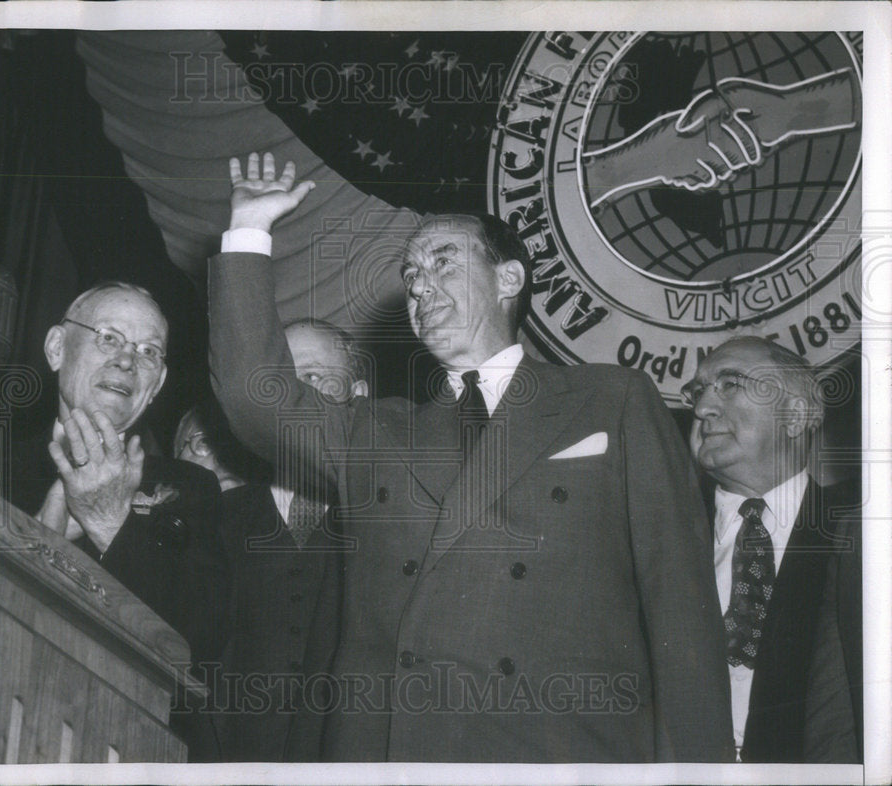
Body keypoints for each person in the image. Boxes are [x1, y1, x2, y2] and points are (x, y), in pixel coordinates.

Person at [207, 152, 733, 762]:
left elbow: (681, 610)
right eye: (410, 277)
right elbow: (253, 398)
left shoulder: (610, 399)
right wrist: (249, 229)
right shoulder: (376, 430)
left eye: (442, 263)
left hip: (561, 754)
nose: (420, 286)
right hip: (394, 756)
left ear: (509, 280)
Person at [8, 282, 231, 689]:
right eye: (108, 338)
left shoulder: (192, 488)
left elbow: (201, 647)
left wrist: (109, 520)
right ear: (57, 349)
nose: (127, 360)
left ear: (157, 384)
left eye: (148, 351)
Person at [176, 322, 368, 761]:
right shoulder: (214, 518)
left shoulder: (382, 525)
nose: (296, 392)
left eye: (316, 376)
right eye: (283, 377)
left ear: (358, 395)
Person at [684, 336, 862, 762]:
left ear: (796, 415)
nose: (702, 408)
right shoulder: (661, 535)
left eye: (730, 384)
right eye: (698, 391)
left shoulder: (860, 533)